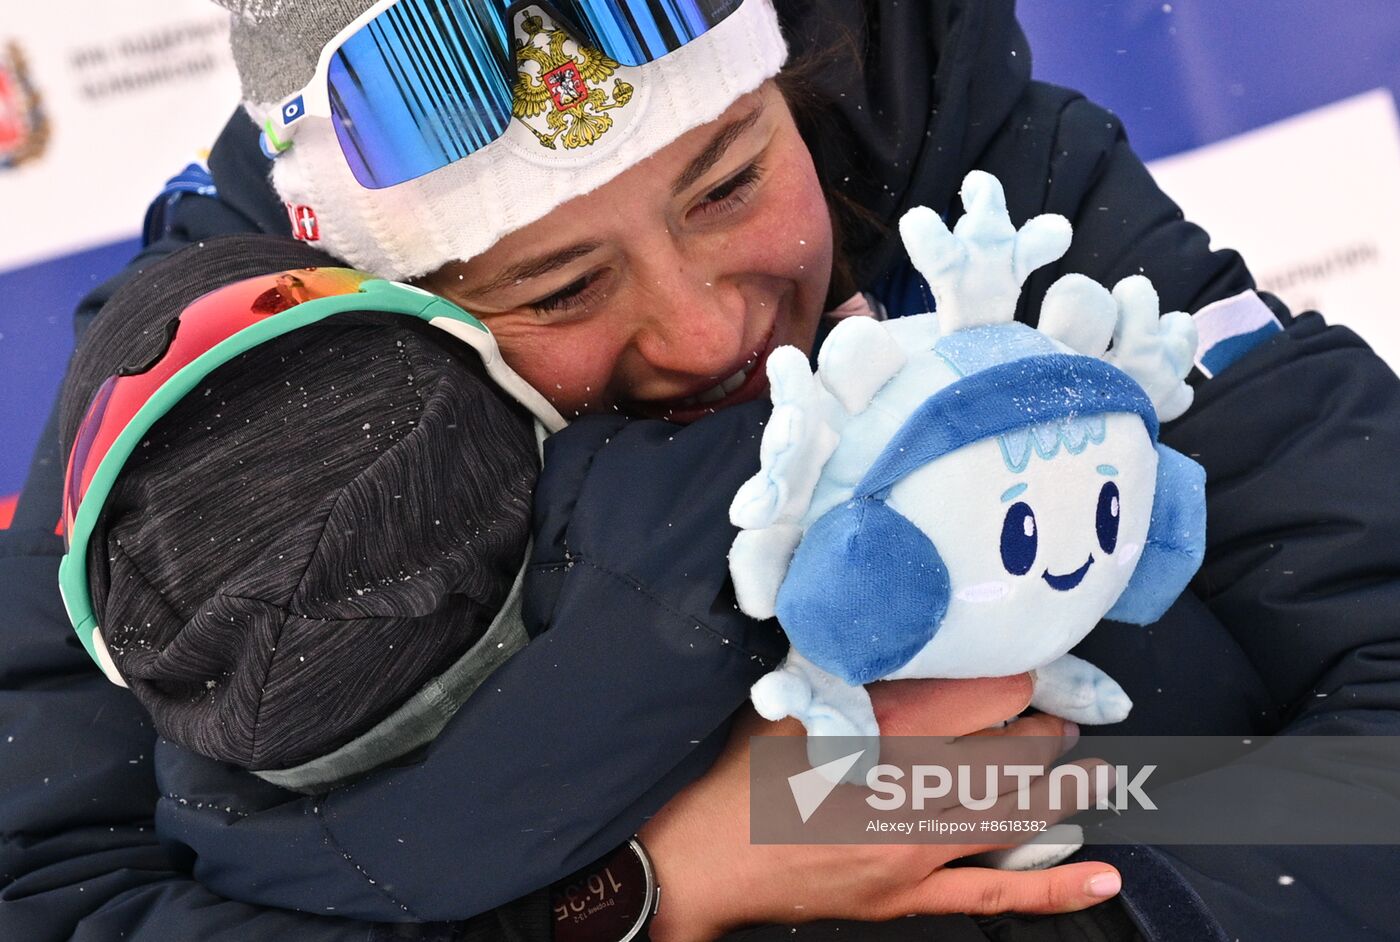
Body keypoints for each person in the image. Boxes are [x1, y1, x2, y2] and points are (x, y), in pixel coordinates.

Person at [3, 1, 1400, 940]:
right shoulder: (200, 438)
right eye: (557, 285)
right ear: (391, 315)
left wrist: (1027, 836)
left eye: (731, 184)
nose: (705, 325)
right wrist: (655, 885)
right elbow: (54, 893)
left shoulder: (974, 162)